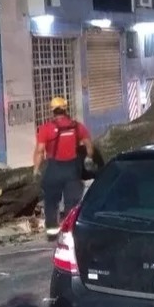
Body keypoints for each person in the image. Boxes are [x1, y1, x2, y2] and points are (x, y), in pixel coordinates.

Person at [33, 97, 96, 238]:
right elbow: (89, 145)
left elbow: (40, 151)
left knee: (51, 203)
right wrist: (88, 158)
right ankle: (69, 232)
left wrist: (36, 169)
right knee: (71, 204)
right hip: (72, 170)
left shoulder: (46, 128)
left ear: (52, 111)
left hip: (54, 170)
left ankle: (52, 233)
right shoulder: (77, 127)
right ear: (65, 109)